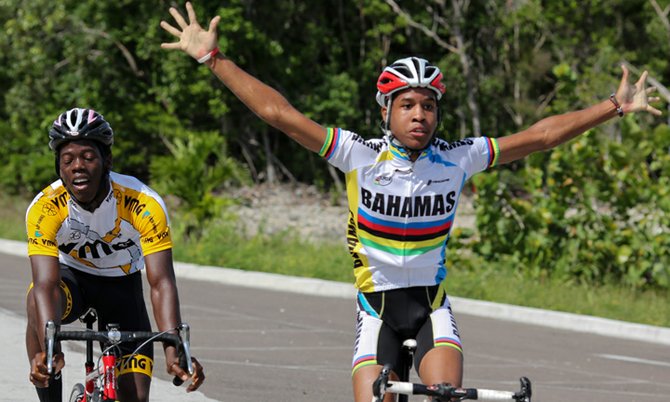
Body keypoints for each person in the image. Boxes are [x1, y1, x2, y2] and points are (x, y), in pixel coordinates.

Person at [160, 3, 662, 401]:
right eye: (407, 105)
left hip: (430, 309)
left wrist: (613, 106)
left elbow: (541, 136)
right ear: (387, 112)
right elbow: (280, 114)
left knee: (446, 397)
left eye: (428, 105)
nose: (419, 114)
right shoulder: (358, 154)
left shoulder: (459, 158)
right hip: (375, 313)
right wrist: (213, 59)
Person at [25, 107, 206, 402]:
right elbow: (45, 284)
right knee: (35, 298)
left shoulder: (143, 202)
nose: (77, 167)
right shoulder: (45, 208)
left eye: (88, 157)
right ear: (59, 167)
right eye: (67, 160)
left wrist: (175, 350)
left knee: (134, 397)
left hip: (122, 287)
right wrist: (50, 349)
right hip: (72, 284)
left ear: (107, 160)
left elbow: (161, 283)